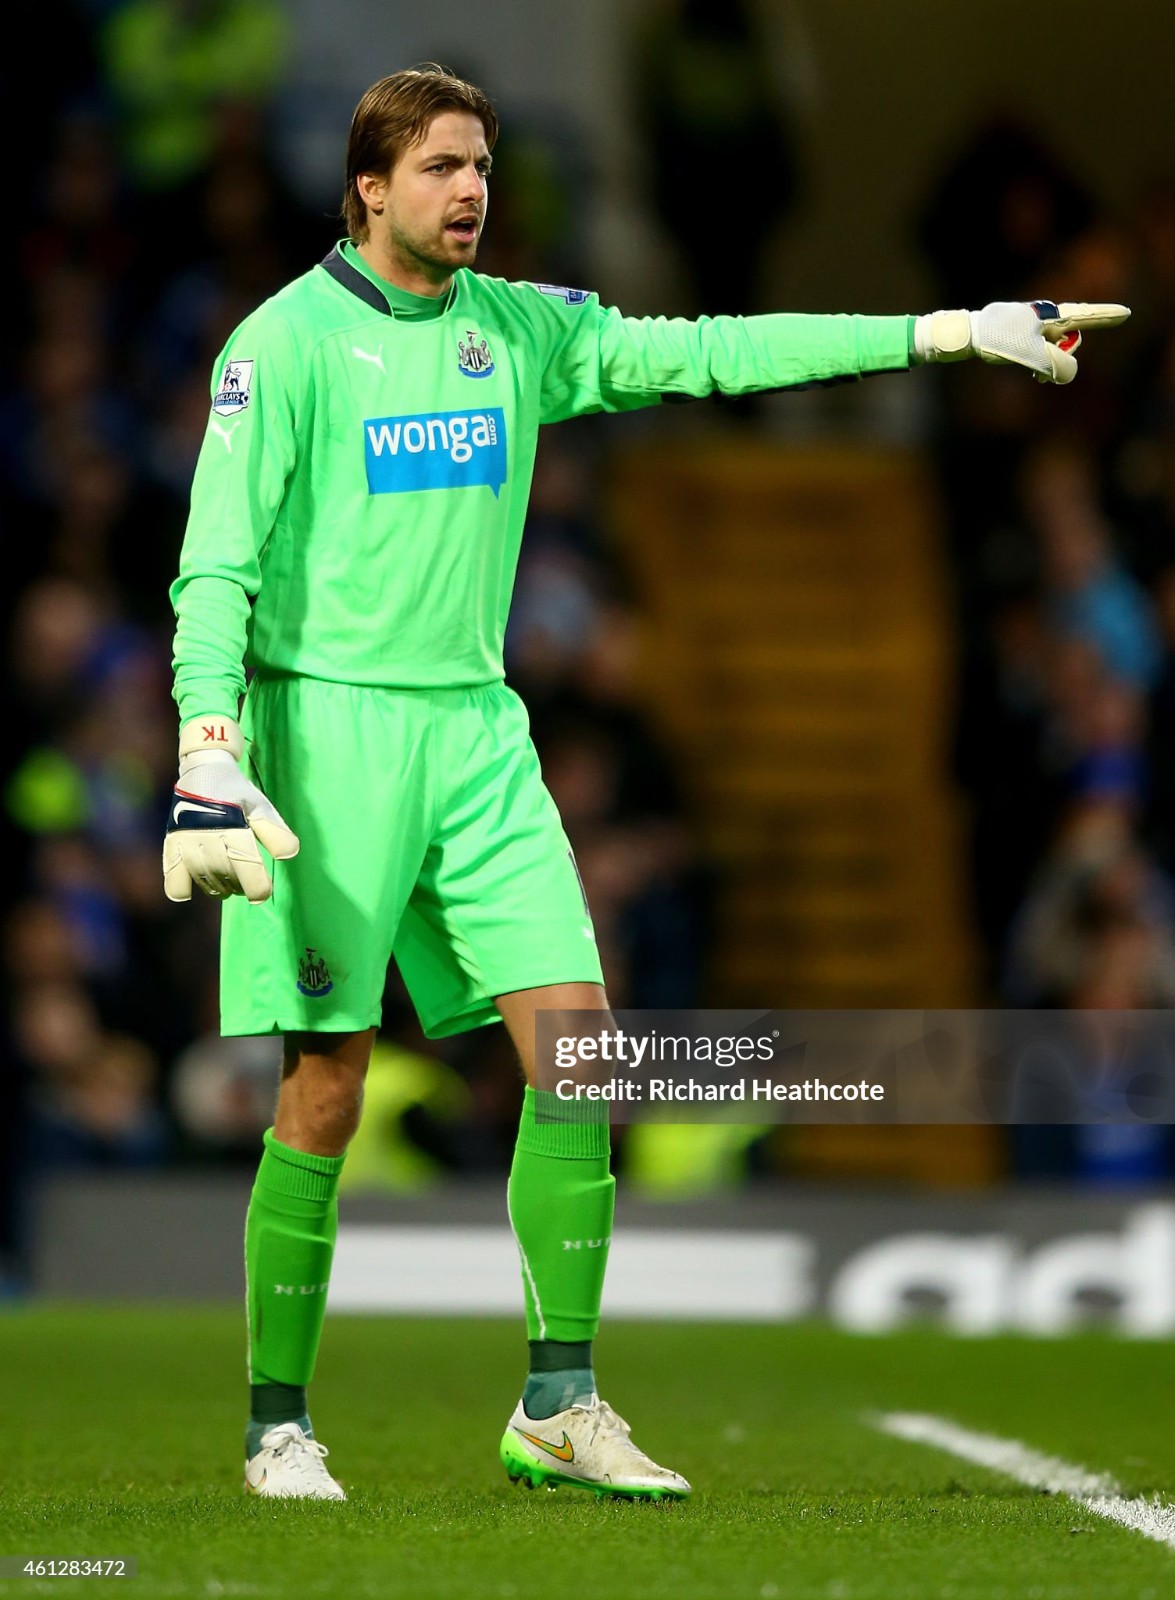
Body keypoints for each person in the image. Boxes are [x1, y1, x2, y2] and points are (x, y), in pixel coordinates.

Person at [162, 64, 1129, 1502]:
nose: (471, 190)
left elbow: (716, 353)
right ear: (369, 187)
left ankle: (559, 1402)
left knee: (584, 1051)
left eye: (480, 164)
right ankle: (277, 1424)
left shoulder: (522, 331)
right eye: (439, 167)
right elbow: (217, 562)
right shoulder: (282, 346)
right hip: (329, 735)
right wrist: (204, 748)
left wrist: (948, 331)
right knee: (326, 1087)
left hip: (478, 739)